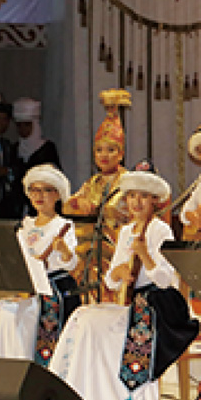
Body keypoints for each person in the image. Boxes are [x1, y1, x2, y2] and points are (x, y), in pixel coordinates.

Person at [50, 162, 200, 400]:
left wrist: (145, 256)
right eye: (131, 196)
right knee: (83, 317)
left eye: (143, 197)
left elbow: (165, 279)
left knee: (113, 325)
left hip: (161, 304)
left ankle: (129, 397)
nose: (136, 202)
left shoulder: (160, 230)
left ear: (154, 201)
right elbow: (111, 283)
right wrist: (116, 274)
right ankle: (87, 393)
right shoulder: (126, 231)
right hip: (136, 299)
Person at [0, 165, 80, 364]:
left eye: (46, 190)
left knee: (16, 315)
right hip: (24, 285)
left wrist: (64, 250)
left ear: (58, 195)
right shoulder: (25, 225)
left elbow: (72, 263)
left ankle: (33, 366)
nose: (39, 195)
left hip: (49, 287)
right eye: (34, 190)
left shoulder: (63, 225)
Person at [64, 89, 131, 295]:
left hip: (120, 248)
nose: (104, 155)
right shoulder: (92, 182)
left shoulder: (128, 182)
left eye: (111, 150)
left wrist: (106, 212)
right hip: (92, 250)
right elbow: (67, 205)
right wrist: (79, 203)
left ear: (121, 154)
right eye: (99, 150)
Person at [12, 97, 61, 215]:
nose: (23, 129)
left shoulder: (47, 148)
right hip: (18, 208)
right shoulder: (14, 148)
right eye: (19, 125)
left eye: (27, 125)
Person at [0, 96, 20, 218]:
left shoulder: (8, 145)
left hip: (4, 200)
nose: (1, 123)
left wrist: (7, 171)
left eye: (4, 119)